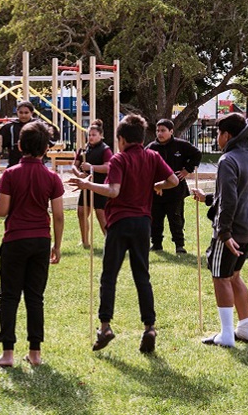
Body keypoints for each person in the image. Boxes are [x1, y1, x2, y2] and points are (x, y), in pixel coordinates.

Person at [69, 113, 178, 354]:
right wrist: (158, 185)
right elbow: (173, 180)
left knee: (109, 276)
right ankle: (149, 327)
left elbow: (113, 190)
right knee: (142, 277)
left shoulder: (119, 159)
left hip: (119, 223)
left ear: (121, 139)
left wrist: (87, 185)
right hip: (142, 224)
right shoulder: (153, 156)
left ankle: (105, 326)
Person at [0, 121, 64, 367]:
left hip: (15, 240)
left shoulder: (11, 174)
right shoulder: (52, 177)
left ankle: (7, 354)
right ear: (45, 149)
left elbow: (2, 210)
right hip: (40, 241)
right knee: (35, 297)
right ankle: (35, 353)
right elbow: (58, 216)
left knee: (9, 296)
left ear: (19, 145)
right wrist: (57, 246)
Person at [191, 113, 248, 347]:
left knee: (220, 277)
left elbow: (230, 200)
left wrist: (224, 232)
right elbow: (240, 194)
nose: (217, 138)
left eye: (218, 133)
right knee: (234, 276)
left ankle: (227, 334)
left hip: (232, 231)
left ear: (227, 135)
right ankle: (246, 328)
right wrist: (209, 198)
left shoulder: (228, 159)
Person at [146, 119, 202, 254]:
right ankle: (157, 244)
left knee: (176, 218)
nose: (160, 133)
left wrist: (187, 170)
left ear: (171, 131)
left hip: (176, 190)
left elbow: (197, 154)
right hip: (156, 190)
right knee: (155, 219)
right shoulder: (151, 148)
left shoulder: (181, 145)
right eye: (158, 131)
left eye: (163, 130)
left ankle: (179, 245)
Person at [71, 120, 112, 248]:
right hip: (85, 185)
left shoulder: (105, 149)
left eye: (94, 135)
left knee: (101, 214)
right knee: (82, 212)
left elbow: (108, 167)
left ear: (101, 136)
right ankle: (85, 241)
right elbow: (74, 165)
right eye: (89, 135)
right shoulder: (83, 149)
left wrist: (91, 167)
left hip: (100, 185)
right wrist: (79, 174)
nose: (91, 137)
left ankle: (109, 241)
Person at [0, 101, 59, 167]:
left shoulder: (39, 125)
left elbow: (53, 136)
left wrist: (45, 145)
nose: (23, 115)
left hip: (36, 164)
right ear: (17, 112)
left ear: (31, 113)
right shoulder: (10, 127)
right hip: (15, 163)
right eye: (21, 112)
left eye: (26, 113)